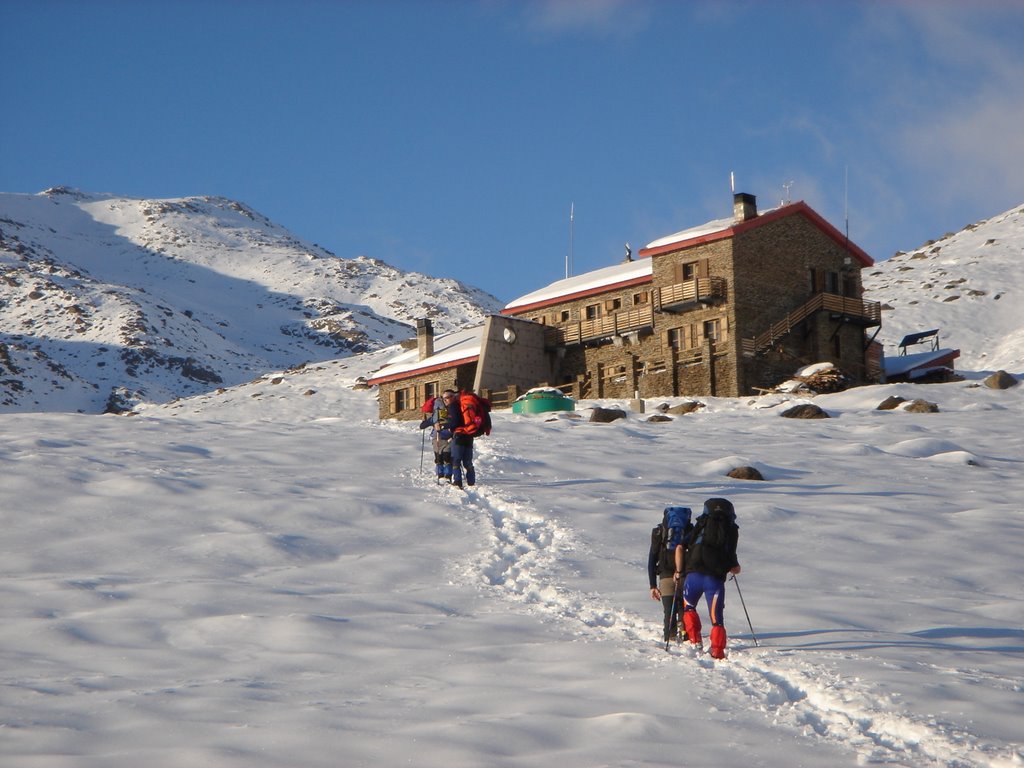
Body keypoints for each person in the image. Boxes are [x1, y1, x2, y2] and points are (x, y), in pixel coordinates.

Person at [679, 498, 741, 659]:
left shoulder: (701, 525)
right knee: (717, 620)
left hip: (693, 576)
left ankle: (695, 641)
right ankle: (718, 652)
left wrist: (679, 571)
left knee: (689, 608)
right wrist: (734, 567)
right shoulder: (731, 529)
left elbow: (680, 546)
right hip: (714, 580)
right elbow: (732, 559)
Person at [648, 506, 693, 643]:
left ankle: (669, 637)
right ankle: (685, 637)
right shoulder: (692, 531)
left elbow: (652, 559)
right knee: (684, 608)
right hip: (684, 574)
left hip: (665, 574)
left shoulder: (659, 532)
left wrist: (652, 585)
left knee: (669, 610)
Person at [444, 388, 480, 489]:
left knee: (456, 460)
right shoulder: (462, 405)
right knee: (467, 461)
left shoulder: (453, 406)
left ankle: (458, 482)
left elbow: (455, 422)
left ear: (452, 397)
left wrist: (446, 427)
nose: (445, 400)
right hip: (469, 435)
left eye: (447, 398)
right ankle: (471, 483)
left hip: (459, 435)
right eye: (444, 399)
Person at [419, 389, 455, 483]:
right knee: (447, 457)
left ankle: (440, 475)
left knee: (438, 457)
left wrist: (424, 421)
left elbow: (422, 426)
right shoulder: (451, 412)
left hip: (436, 437)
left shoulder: (435, 416)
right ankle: (448, 476)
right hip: (449, 437)